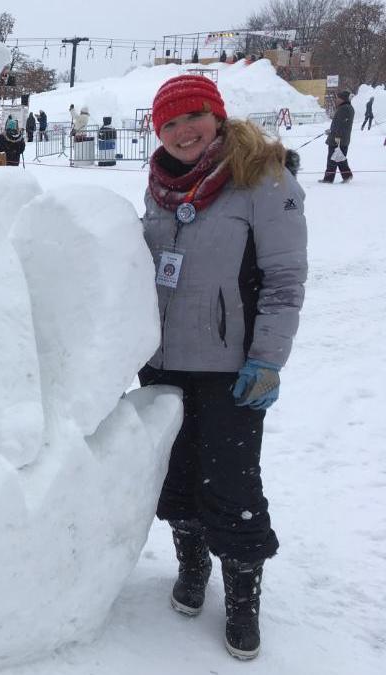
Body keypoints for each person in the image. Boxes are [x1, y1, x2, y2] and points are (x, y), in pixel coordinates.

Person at [139, 74, 307, 661]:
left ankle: (242, 594)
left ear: (217, 116)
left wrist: (267, 359)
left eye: (193, 118)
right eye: (169, 123)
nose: (183, 132)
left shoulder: (262, 177)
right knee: (173, 476)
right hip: (161, 365)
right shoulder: (159, 186)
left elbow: (285, 281)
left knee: (232, 485)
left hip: (229, 369)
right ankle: (191, 565)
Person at [321, 90, 355, 183]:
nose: (336, 100)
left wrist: (336, 136)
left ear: (343, 99)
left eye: (338, 98)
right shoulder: (347, 108)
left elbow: (341, 125)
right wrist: (331, 131)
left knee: (332, 160)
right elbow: (340, 125)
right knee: (340, 158)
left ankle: (328, 179)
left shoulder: (344, 109)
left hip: (337, 140)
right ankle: (347, 176)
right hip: (340, 138)